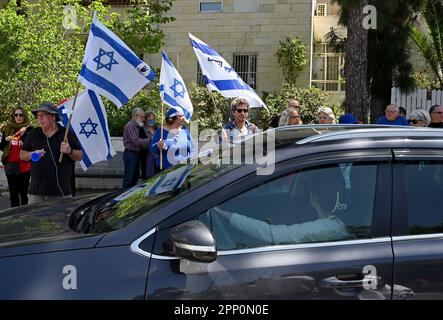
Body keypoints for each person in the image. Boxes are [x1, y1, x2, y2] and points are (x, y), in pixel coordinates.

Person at [211, 169, 350, 245]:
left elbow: (272, 234)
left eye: (303, 186)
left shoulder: (327, 227)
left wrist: (226, 215)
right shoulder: (335, 224)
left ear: (314, 197)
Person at [20, 102, 82, 204]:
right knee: (34, 220)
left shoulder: (67, 133)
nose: (39, 119)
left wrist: (70, 151)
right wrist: (32, 154)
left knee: (61, 220)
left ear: (53, 117)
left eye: (43, 115)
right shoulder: (33, 134)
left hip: (61, 192)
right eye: (38, 116)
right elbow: (22, 155)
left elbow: (79, 156)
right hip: (36, 193)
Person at [0, 107, 33, 207]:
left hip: (25, 165)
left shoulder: (30, 129)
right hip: (11, 164)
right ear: (13, 116)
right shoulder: (8, 128)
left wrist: (23, 135)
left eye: (21, 115)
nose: (18, 117)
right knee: (13, 194)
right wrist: (5, 140)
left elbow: (32, 146)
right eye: (16, 115)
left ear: (25, 116)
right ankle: (14, 216)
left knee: (24, 193)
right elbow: (2, 147)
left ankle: (24, 216)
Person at [151, 107, 196, 171]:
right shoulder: (161, 131)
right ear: (172, 119)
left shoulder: (184, 129)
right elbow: (152, 150)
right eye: (181, 116)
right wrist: (158, 146)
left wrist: (192, 161)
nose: (183, 118)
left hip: (186, 169)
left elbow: (193, 148)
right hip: (168, 172)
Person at [122, 108, 151, 188]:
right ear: (136, 116)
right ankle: (124, 197)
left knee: (135, 177)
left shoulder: (138, 126)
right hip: (131, 154)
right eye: (142, 117)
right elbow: (136, 141)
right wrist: (150, 139)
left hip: (136, 154)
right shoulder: (130, 125)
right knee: (129, 178)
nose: (143, 119)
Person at [141, 111, 157, 179]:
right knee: (147, 176)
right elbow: (141, 143)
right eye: (150, 119)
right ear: (145, 120)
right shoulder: (141, 129)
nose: (151, 121)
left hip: (156, 156)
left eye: (153, 119)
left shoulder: (156, 129)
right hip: (146, 156)